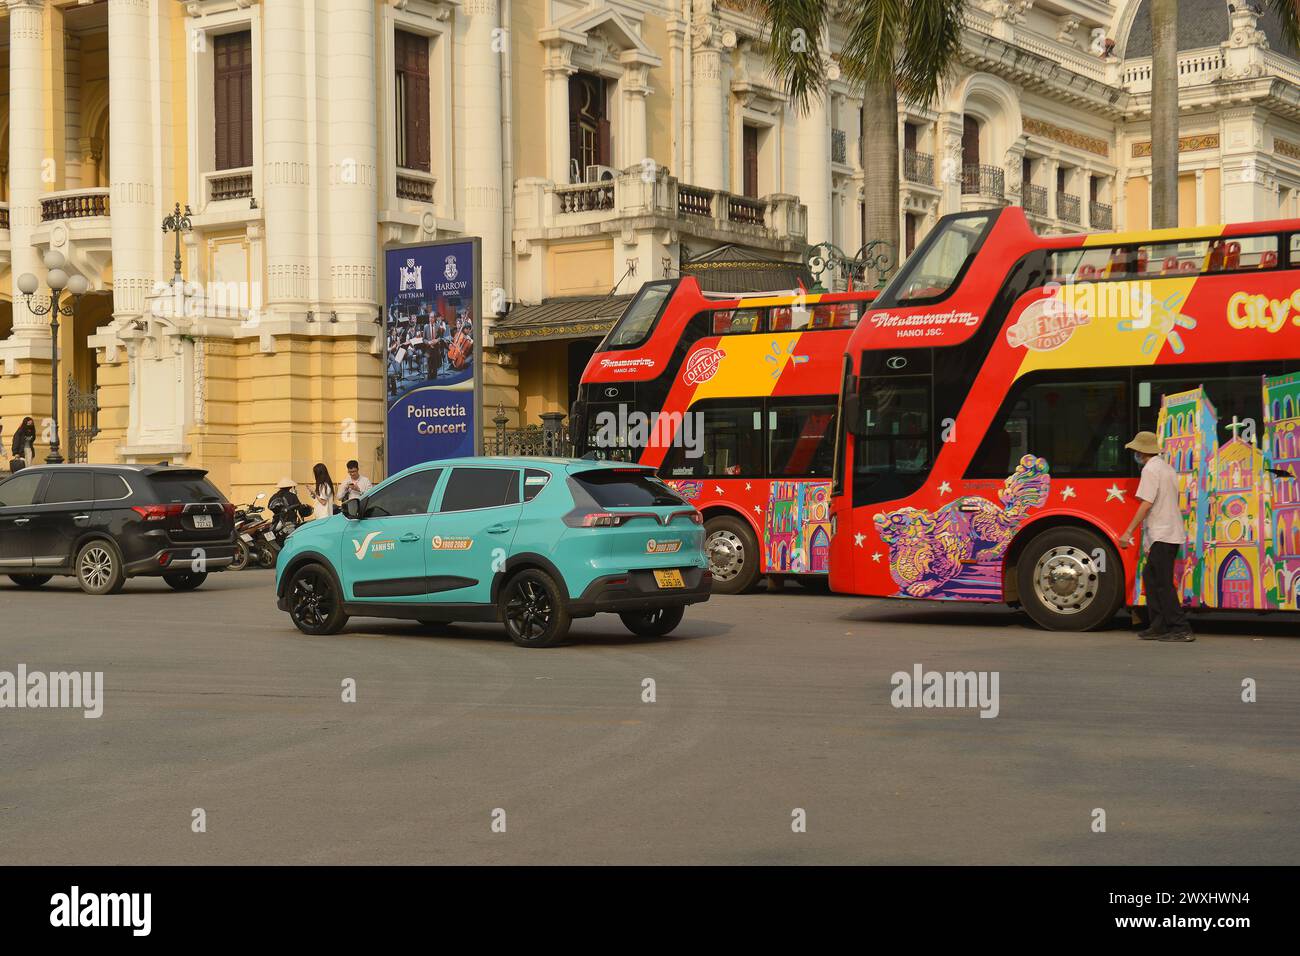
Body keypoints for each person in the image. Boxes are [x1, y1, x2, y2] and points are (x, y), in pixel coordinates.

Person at [1118, 431, 1194, 643]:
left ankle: (1181, 628)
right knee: (1152, 579)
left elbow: (1146, 503)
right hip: (1169, 532)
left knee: (1161, 582)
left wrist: (1128, 531)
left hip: (1163, 533)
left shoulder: (1150, 470)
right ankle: (1158, 625)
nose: (1134, 455)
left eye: (1135, 451)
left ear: (1141, 452)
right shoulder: (1166, 467)